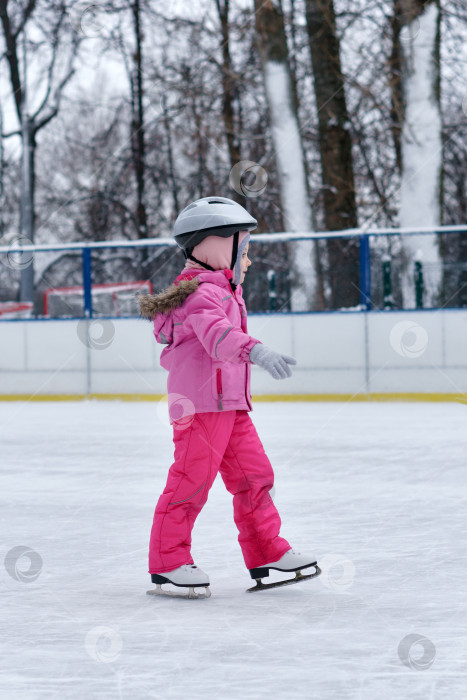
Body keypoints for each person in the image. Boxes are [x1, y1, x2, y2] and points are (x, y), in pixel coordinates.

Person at [139, 196, 318, 595]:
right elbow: (218, 338)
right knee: (191, 482)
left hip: (231, 405)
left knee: (255, 477)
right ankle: (169, 562)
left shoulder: (221, 289)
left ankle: (267, 552)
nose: (249, 261)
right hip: (201, 407)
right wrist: (257, 350)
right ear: (216, 246)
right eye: (245, 251)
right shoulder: (198, 293)